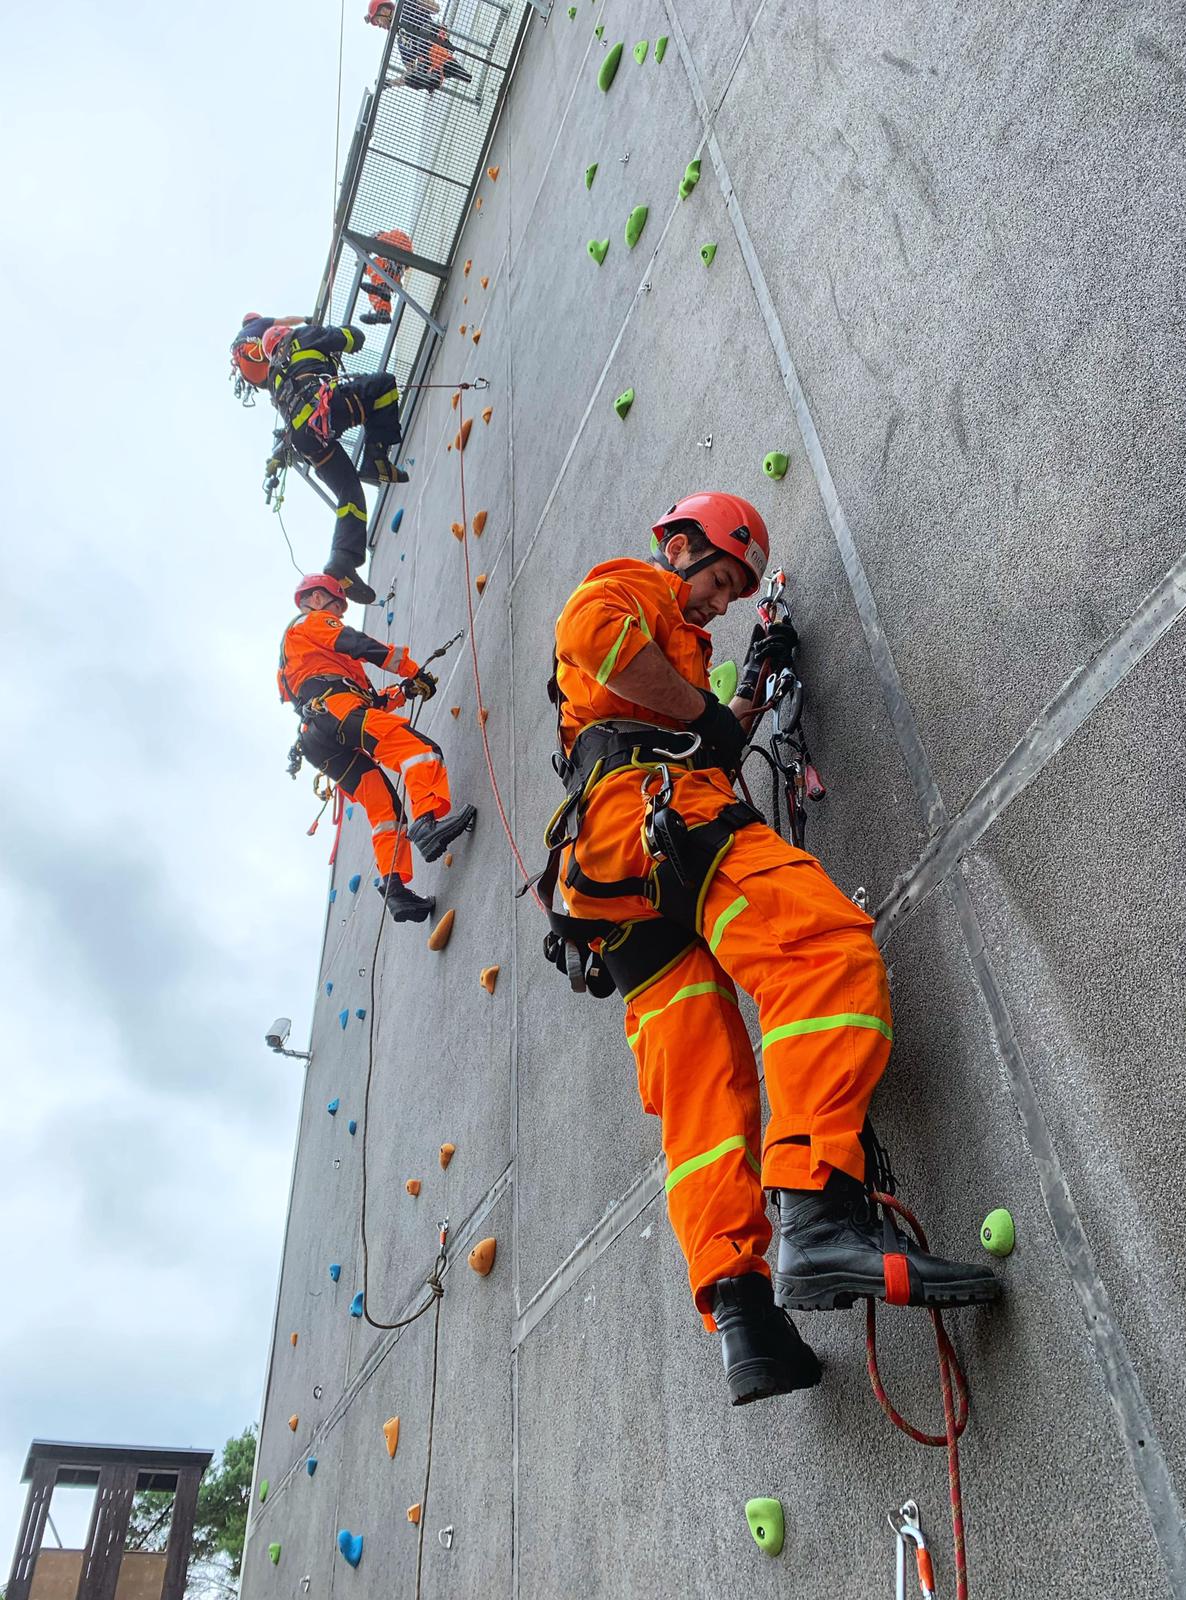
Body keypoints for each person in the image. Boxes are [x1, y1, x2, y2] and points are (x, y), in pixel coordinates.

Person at [544, 492, 999, 1406]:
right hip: (653, 816)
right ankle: (820, 1206)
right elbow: (599, 640)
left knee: (703, 1099)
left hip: (612, 889)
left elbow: (703, 731)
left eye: (734, 593)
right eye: (717, 579)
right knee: (823, 951)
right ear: (677, 545)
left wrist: (750, 683)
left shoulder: (686, 650)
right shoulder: (633, 585)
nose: (718, 602)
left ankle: (748, 1319)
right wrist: (707, 715)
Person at [279, 574, 476, 922]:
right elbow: (357, 643)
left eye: (340, 607)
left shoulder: (317, 658)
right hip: (332, 711)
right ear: (312, 598)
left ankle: (396, 891)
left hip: (320, 736)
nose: (339, 613)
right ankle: (427, 825)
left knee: (384, 806)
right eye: (335, 604)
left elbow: (368, 703)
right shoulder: (310, 624)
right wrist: (410, 668)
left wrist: (407, 691)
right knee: (418, 749)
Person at [262, 320, 410, 606]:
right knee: (384, 385)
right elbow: (355, 339)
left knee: (348, 492)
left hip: (306, 440)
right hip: (325, 411)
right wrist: (330, 330)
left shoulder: (274, 380)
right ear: (283, 335)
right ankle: (376, 458)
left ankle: (342, 560)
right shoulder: (302, 335)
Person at [367, 0, 473, 93]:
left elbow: (435, 8)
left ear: (384, 11)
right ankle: (436, 75)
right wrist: (390, 83)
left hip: (435, 37)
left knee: (421, 43)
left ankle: (447, 67)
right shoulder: (401, 41)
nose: (379, 26)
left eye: (377, 21)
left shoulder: (406, 4)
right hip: (429, 59)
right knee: (415, 73)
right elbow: (410, 70)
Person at [361, 229, 414, 325]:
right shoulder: (384, 255)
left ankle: (383, 291)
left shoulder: (390, 236)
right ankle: (383, 312)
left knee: (374, 265)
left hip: (395, 265)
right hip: (394, 273)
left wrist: (365, 252)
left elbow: (381, 241)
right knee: (373, 290)